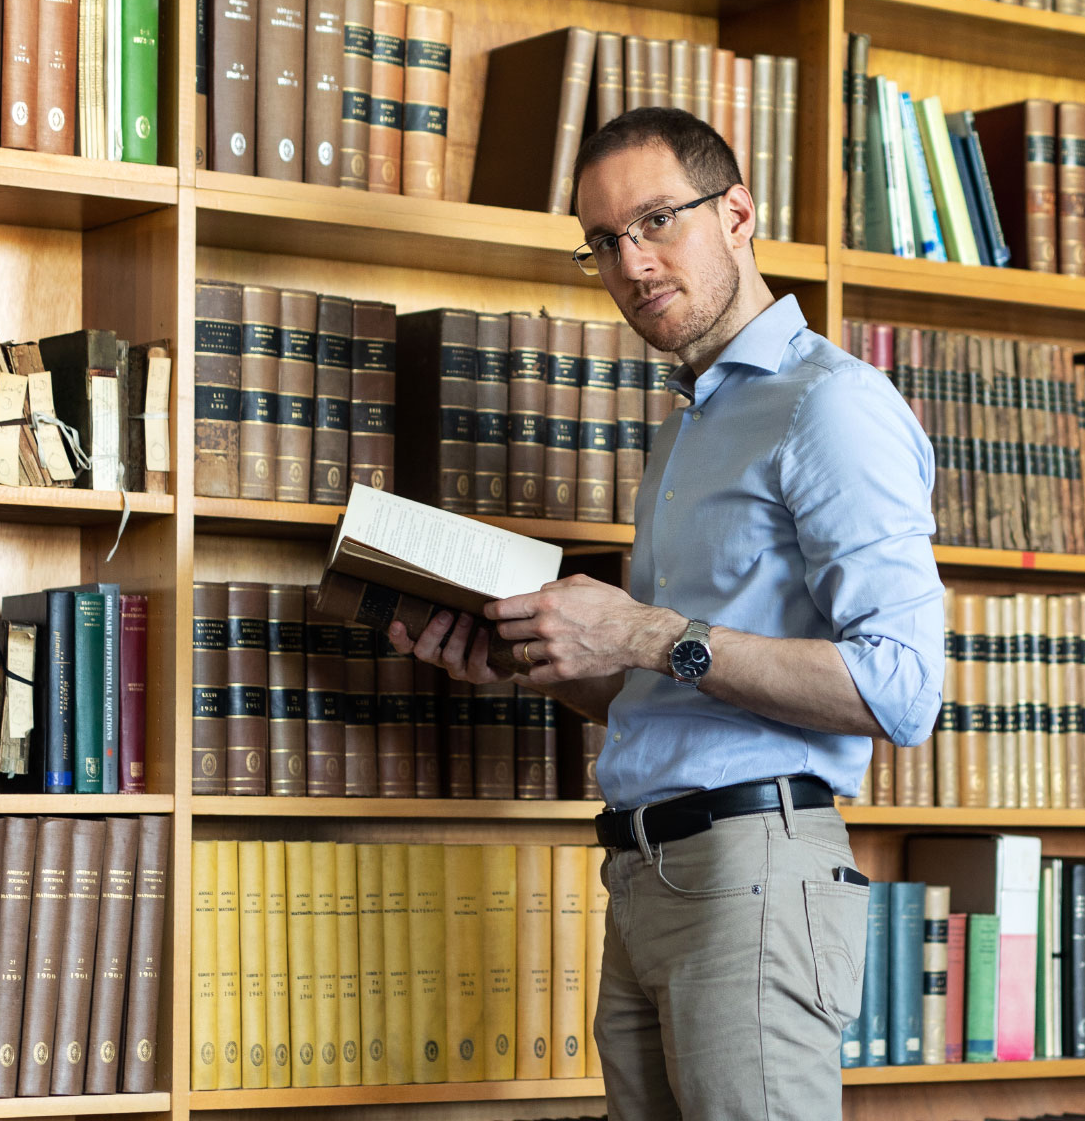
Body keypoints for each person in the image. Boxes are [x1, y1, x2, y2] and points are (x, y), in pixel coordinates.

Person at [389, 107, 943, 1120]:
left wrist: (641, 629)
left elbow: (901, 690)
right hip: (648, 873)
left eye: (655, 222)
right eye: (604, 241)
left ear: (738, 212)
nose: (631, 263)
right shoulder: (689, 428)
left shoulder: (830, 406)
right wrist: (541, 659)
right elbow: (680, 692)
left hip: (755, 871)